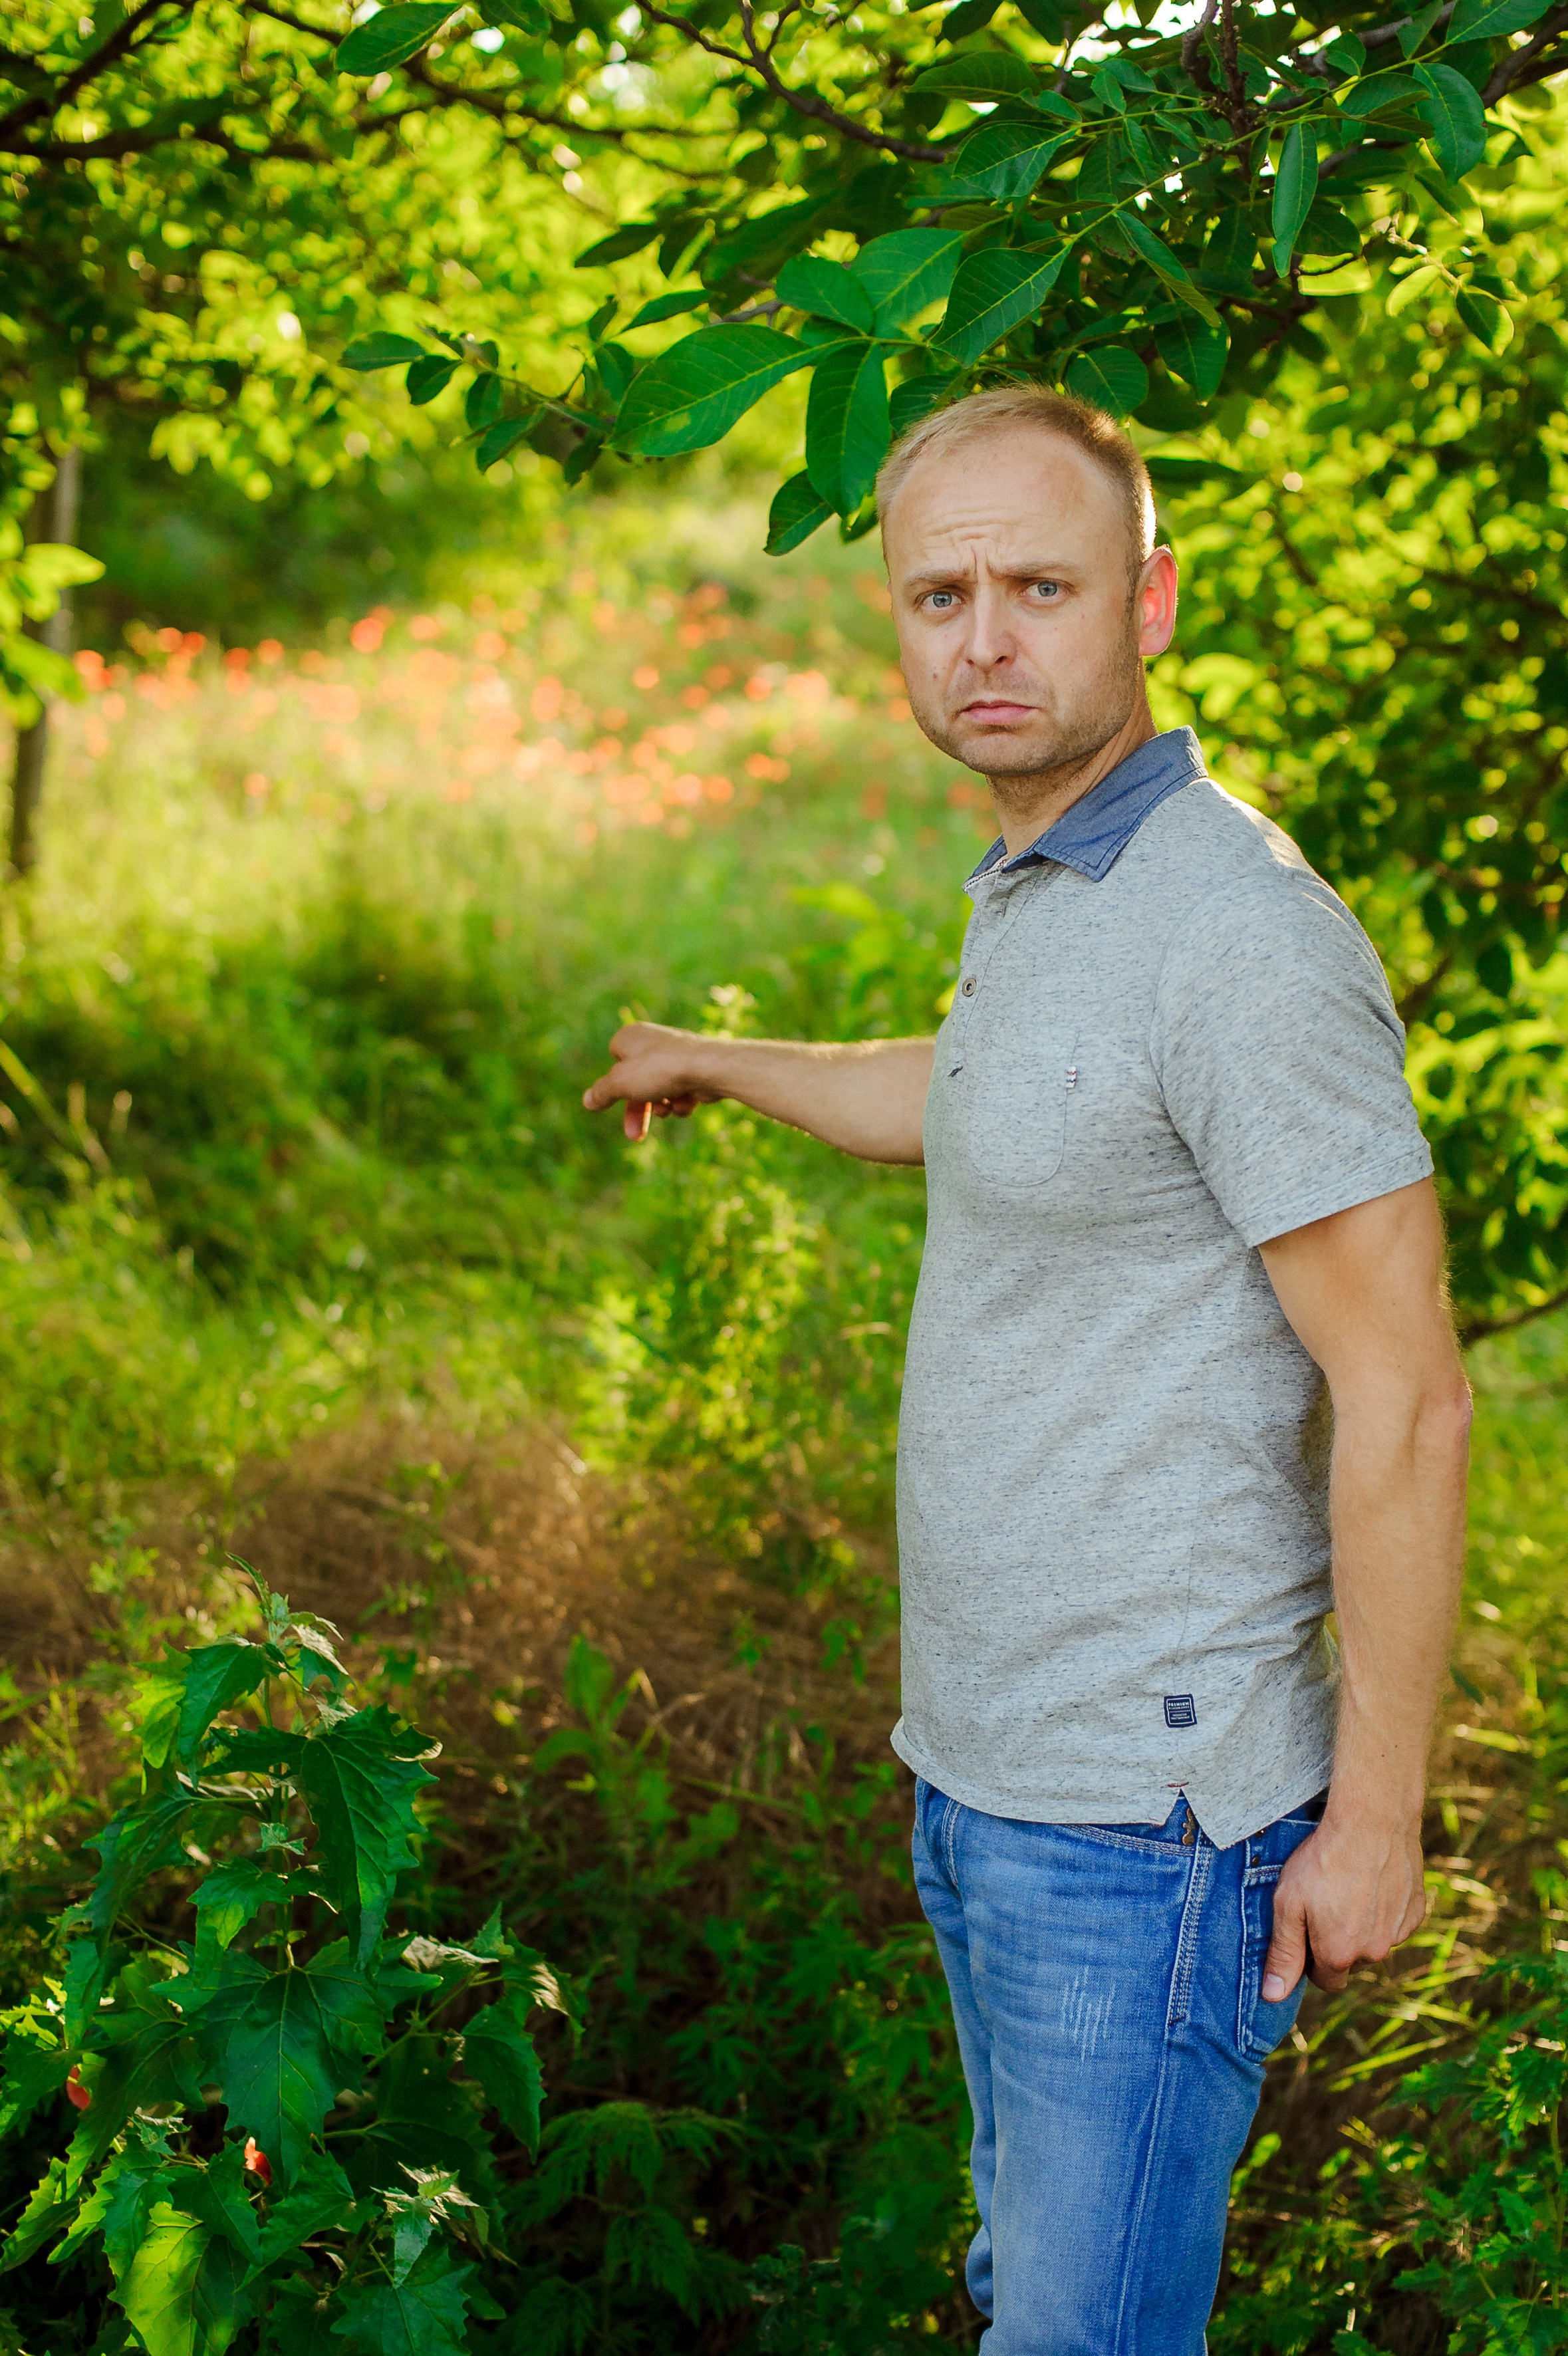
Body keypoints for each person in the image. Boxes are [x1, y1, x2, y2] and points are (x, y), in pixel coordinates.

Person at [581, 386, 1472, 2354]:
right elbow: (982, 1099)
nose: (986, 639)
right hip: (983, 1771)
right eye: (939, 594)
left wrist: (1382, 1812)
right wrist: (721, 1061)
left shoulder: (1236, 940)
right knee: (1030, 2296)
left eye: (1041, 586)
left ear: (1149, 604)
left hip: (1145, 1826)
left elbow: (1410, 1394)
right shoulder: (1054, 881)